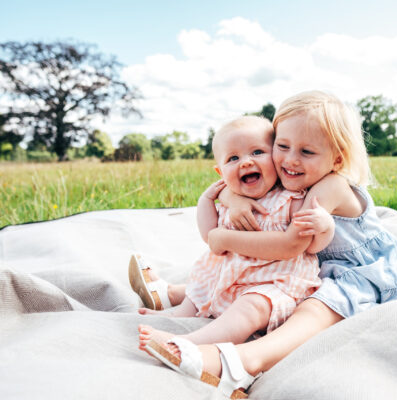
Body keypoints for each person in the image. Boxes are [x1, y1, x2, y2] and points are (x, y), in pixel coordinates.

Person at [138, 91, 397, 398]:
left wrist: (223, 237)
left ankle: (245, 361)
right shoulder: (293, 175)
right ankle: (172, 294)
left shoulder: (330, 184)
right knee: (247, 272)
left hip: (359, 271)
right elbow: (233, 183)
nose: (290, 160)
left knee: (315, 309)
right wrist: (233, 198)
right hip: (316, 264)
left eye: (306, 152)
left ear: (336, 158)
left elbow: (292, 245)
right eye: (282, 146)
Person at [130, 115, 331, 351]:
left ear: (276, 159)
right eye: (233, 158)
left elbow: (312, 245)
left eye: (257, 152)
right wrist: (206, 199)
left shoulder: (291, 198)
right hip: (227, 278)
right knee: (198, 289)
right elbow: (209, 236)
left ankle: (191, 343)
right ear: (220, 171)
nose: (245, 162)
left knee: (250, 308)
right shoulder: (229, 200)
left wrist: (325, 225)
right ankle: (175, 320)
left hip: (274, 284)